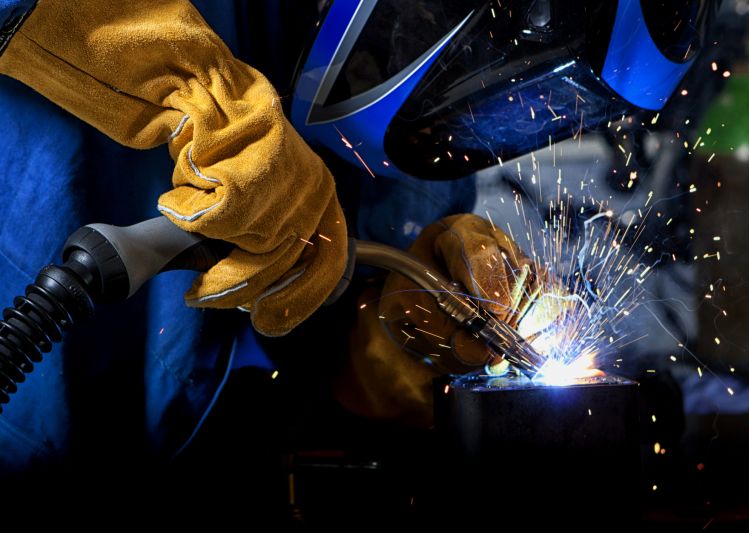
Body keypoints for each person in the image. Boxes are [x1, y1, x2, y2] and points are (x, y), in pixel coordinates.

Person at [0, 0, 536, 481]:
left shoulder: (438, 60)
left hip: (206, 446)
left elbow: (337, 295)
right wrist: (184, 78)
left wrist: (393, 328)